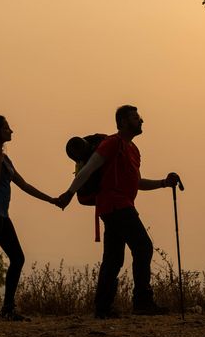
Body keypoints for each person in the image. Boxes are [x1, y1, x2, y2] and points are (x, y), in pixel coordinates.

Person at [58, 105, 181, 319]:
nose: (141, 120)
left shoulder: (132, 150)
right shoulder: (112, 143)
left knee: (114, 258)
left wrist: (163, 183)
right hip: (116, 206)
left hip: (116, 206)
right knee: (143, 247)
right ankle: (142, 301)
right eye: (135, 117)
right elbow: (89, 169)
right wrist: (69, 193)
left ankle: (103, 307)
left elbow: (137, 183)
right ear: (123, 122)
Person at [0, 115, 59, 321]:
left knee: (17, 258)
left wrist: (51, 200)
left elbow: (24, 185)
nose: (11, 131)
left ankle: (8, 308)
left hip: (1, 215)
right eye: (7, 128)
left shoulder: (5, 159)